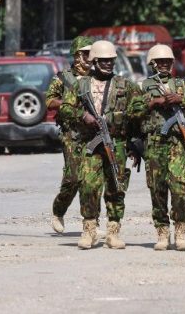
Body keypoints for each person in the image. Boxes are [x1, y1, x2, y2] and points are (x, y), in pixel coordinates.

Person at [59, 40, 139, 250]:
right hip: (90, 144)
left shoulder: (124, 85)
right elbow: (65, 108)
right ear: (94, 61)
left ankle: (113, 231)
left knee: (116, 188)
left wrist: (136, 144)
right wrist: (82, 115)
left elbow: (138, 113)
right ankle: (89, 231)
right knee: (88, 186)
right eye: (103, 61)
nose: (107, 64)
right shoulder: (81, 85)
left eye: (110, 61)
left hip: (117, 144)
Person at [129, 44, 185, 251]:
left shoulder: (181, 85)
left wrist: (183, 99)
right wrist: (154, 102)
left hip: (177, 143)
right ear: (152, 64)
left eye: (167, 62)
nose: (164, 65)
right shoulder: (143, 87)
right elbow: (132, 111)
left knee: (179, 188)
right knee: (157, 189)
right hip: (153, 143)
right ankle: (162, 232)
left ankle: (181, 232)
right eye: (160, 62)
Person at [45, 36, 94, 234]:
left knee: (91, 178)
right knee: (73, 178)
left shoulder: (97, 77)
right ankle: (58, 211)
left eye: (91, 54)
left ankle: (90, 222)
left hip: (93, 133)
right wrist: (69, 102)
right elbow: (49, 102)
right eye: (86, 54)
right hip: (71, 133)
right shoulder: (63, 78)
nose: (89, 58)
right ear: (76, 56)